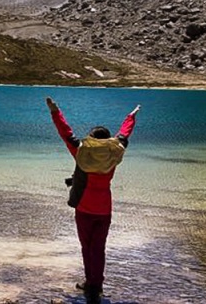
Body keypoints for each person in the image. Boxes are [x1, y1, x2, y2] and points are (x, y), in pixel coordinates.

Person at [45, 97, 140, 304]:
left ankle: (91, 284)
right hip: (104, 209)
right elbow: (124, 134)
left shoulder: (81, 152)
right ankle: (96, 285)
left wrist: (55, 111)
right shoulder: (114, 155)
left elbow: (66, 133)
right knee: (99, 248)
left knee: (86, 247)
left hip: (84, 208)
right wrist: (131, 116)